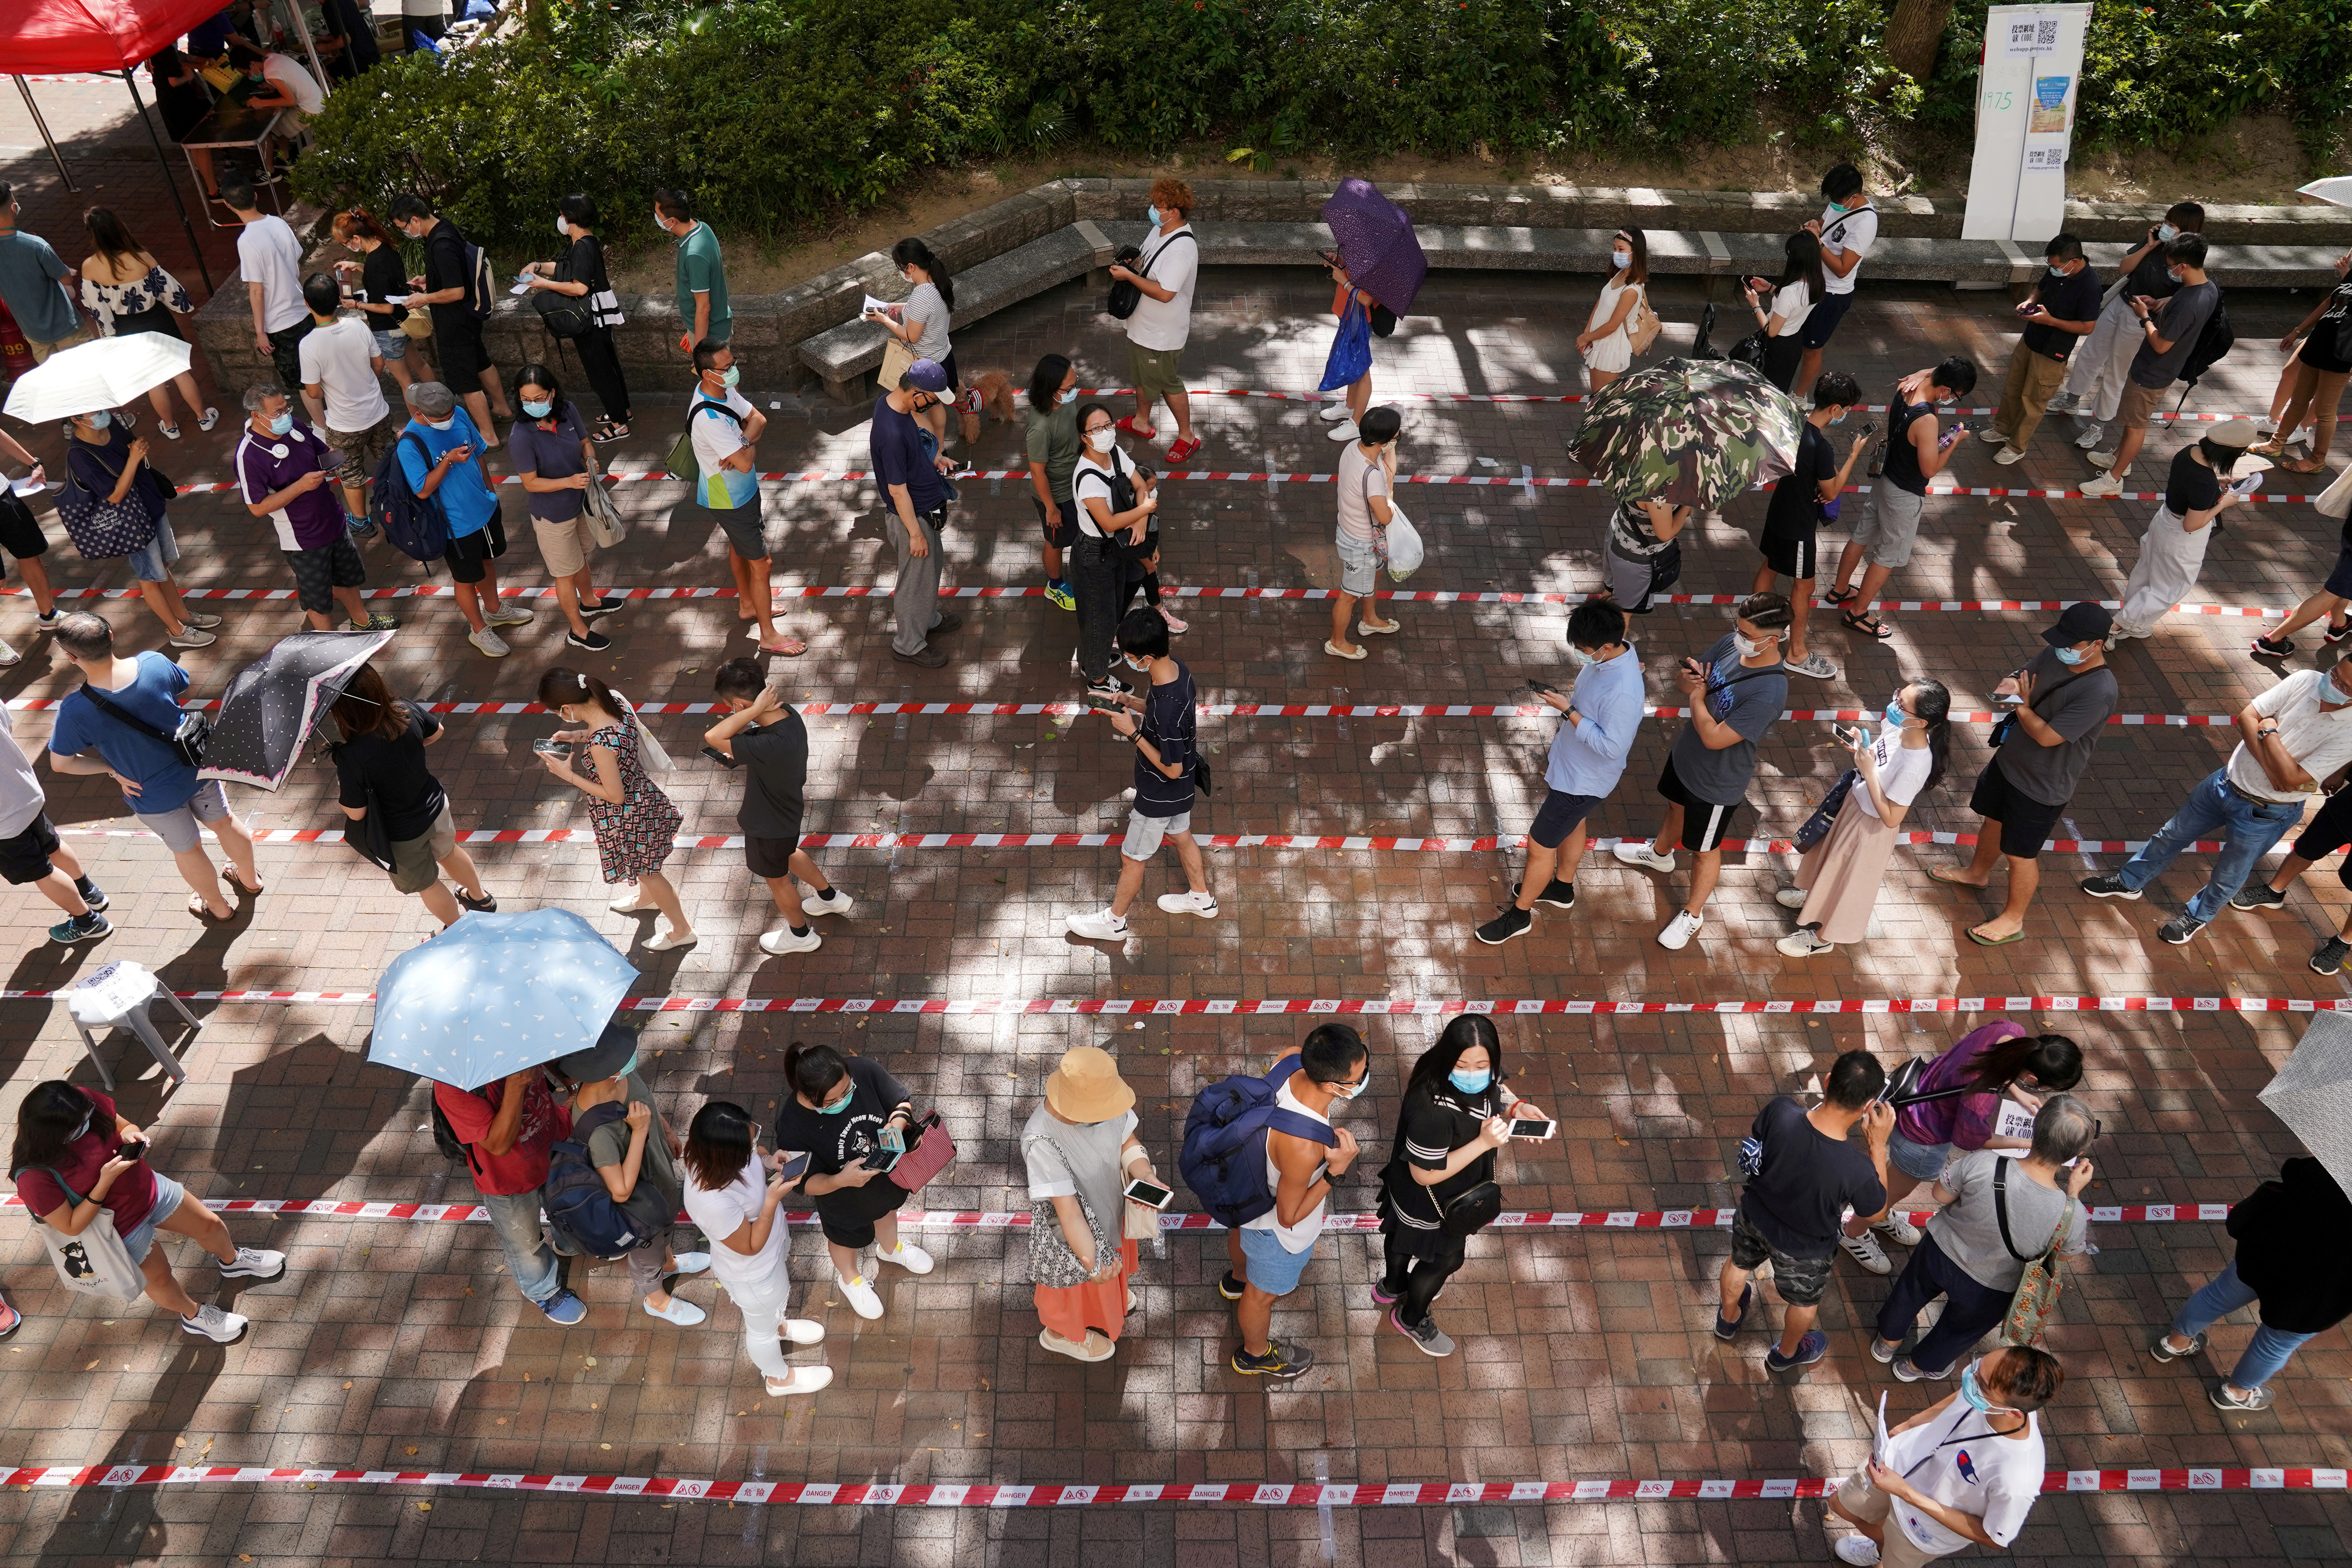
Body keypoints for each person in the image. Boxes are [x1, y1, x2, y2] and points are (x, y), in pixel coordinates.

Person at [2082, 649, 2352, 944]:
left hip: (2266, 813)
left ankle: (2196, 916)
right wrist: (2268, 765)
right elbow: (2247, 716)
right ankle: (2129, 882)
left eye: (2345, 687)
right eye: (2334, 674)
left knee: (2229, 874)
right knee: (2169, 836)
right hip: (2224, 782)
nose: (2333, 685)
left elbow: (2292, 777)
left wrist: (2269, 730)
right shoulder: (2304, 680)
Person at [9, 1082, 285, 1343]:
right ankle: (194, 1315)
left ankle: (233, 1261)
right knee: (161, 1278)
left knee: (210, 1225)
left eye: (88, 1117)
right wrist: (104, 1182)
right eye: (77, 1128)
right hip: (119, 1231)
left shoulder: (80, 1102)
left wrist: (132, 1132)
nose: (87, 1125)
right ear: (50, 1135)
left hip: (150, 1189)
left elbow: (123, 1124)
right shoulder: (34, 1176)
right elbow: (70, 1225)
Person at [45, 613, 259, 921]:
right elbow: (180, 685)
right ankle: (250, 880)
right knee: (225, 823)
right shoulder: (154, 662)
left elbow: (61, 764)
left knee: (188, 850)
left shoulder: (76, 710)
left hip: (150, 792)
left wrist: (111, 769)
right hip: (195, 767)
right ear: (111, 636)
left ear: (69, 656)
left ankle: (218, 908)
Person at [1612, 593, 1792, 950]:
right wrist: (1688, 681)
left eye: (1746, 633)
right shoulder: (1731, 643)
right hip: (1686, 757)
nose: (1737, 637)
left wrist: (1697, 697)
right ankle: (1660, 854)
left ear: (1772, 640)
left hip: (1716, 783)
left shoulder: (1770, 691)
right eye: (1737, 628)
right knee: (1674, 807)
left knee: (1703, 849)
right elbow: (1685, 684)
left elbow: (1714, 738)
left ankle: (1693, 914)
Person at [1870, 1097, 2094, 1382]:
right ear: (2076, 1155)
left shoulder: (1985, 1163)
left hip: (1939, 1252)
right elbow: (2060, 1257)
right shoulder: (2072, 1215)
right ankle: (1915, 1367)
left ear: (2034, 1128)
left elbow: (1939, 1195)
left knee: (1908, 1294)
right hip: (1992, 1287)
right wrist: (2073, 1195)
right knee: (1958, 1330)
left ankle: (1885, 1344)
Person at [1931, 604, 2118, 944]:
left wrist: (2021, 704)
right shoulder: (2056, 653)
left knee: (2020, 854)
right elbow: (2025, 677)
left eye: (2072, 645)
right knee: (1993, 821)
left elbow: (2048, 736)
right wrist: (2012, 682)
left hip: (2041, 787)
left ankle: (2013, 920)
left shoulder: (2098, 692)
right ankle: (1976, 874)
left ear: (2097, 644)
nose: (2062, 649)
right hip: (2009, 763)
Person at [1375, 1016, 1550, 1356]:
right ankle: (1411, 1316)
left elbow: (1494, 1090)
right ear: (1448, 1058)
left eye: (1482, 1065)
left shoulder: (1471, 1073)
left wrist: (1517, 1106)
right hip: (1432, 1198)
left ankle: (1392, 1285)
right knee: (1447, 1260)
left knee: (1399, 1237)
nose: (1474, 1073)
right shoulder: (1432, 1110)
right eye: (1463, 1065)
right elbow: (1423, 1174)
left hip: (1420, 1195)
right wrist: (1483, 1144)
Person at [1476, 599, 1644, 944]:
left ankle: (1519, 916)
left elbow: (1612, 747)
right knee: (1575, 824)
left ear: (1607, 646)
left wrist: (1568, 710)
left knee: (1539, 846)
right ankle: (1561, 888)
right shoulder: (1618, 655)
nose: (1581, 655)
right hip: (1573, 767)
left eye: (1585, 650)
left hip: (1582, 781)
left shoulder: (1623, 692)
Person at [1714, 1049, 1891, 1374]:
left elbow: (1760, 1140)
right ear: (1868, 1107)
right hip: (1805, 1248)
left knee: (1738, 1264)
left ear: (1827, 1081)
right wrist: (1878, 1146)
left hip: (1755, 1216)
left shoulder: (1781, 1110)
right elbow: (1876, 1210)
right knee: (1803, 1303)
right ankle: (1786, 1353)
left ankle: (1727, 1320)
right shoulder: (1856, 1169)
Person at [1826, 1345, 2063, 1566]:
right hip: (1893, 1465)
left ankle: (1884, 1553)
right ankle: (1881, 1544)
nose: (1969, 1377)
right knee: (1841, 1506)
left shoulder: (2018, 1476)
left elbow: (1995, 1538)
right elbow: (1960, 1396)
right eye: (1976, 1366)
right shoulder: (1988, 1388)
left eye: (1980, 1383)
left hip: (1924, 1527)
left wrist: (1907, 1494)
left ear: (2012, 1413)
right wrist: (1910, 1424)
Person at [2150, 1157, 2352, 1412]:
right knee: (2273, 1344)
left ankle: (2173, 1343)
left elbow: (2293, 1169)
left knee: (2217, 1295)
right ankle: (2235, 1393)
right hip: (2317, 1293)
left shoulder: (2340, 1156)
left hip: (2267, 1251)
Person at [1223, 1026, 1368, 1379]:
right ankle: (1255, 1356)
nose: (1363, 1079)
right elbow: (1288, 1216)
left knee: (1244, 1247)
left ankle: (1236, 1279)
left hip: (1248, 1198)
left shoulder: (1290, 1058)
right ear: (1332, 1086)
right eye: (1358, 1078)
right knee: (1260, 1298)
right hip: (1275, 1233)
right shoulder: (1303, 1145)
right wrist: (1335, 1171)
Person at [1775, 678, 1951, 958]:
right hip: (1854, 805)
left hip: (1870, 827)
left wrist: (1868, 772)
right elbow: (1879, 756)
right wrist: (1861, 747)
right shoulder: (1898, 727)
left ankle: (1821, 938)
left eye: (1901, 704)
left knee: (1845, 880)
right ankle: (1813, 898)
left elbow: (1892, 818)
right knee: (1829, 859)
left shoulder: (1916, 764)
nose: (1894, 705)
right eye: (1898, 696)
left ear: (1920, 722)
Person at [1068, 606, 1213, 943]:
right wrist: (1134, 703)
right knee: (1181, 835)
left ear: (1146, 657)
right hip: (1182, 787)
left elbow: (1171, 767)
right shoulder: (1177, 672)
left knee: (1131, 857)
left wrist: (1132, 733)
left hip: (1160, 792)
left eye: (1131, 657)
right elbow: (1165, 716)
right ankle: (1201, 899)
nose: (1129, 662)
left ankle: (1114, 923)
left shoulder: (1167, 706)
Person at [549, 1030, 711, 1327]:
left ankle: (669, 1263)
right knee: (646, 1248)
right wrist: (639, 1132)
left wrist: (667, 1133)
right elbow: (621, 1191)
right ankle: (656, 1299)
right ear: (604, 1070)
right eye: (623, 1059)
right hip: (637, 1202)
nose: (631, 1061)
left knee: (666, 1222)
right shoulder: (597, 1130)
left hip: (657, 1176)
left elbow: (645, 1102)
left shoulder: (621, 1076)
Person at [1021, 1045, 1164, 1362]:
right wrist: (1091, 1261)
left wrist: (1143, 1174)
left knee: (1104, 1279)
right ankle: (1059, 1334)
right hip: (1076, 1236)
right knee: (1071, 1290)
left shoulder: (1103, 1102)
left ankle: (1106, 1299)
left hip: (1107, 1214)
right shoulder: (1041, 1141)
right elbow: (1069, 1212)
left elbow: (1127, 1141)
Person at [678, 1099, 832, 1394]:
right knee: (760, 1331)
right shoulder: (711, 1202)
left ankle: (779, 1325)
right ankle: (779, 1379)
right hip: (754, 1273)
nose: (755, 1146)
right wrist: (770, 1202)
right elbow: (749, 1245)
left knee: (770, 1314)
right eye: (748, 1146)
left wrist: (768, 1160)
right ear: (725, 1155)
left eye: (754, 1138)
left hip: (770, 1253)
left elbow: (755, 1155)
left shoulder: (716, 1154)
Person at [536, 668, 694, 953]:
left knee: (649, 872)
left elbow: (614, 796)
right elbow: (610, 735)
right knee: (647, 869)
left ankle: (682, 930)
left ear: (567, 707)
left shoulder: (600, 745)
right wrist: (577, 735)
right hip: (644, 799)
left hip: (626, 817)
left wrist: (567, 775)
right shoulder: (615, 702)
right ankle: (647, 899)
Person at [327, 662, 496, 930]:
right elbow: (437, 732)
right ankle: (481, 898)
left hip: (402, 833)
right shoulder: (403, 709)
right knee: (449, 852)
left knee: (426, 883)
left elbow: (356, 812)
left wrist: (343, 769)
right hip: (436, 805)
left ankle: (458, 929)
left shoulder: (352, 755)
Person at [773, 1040, 934, 1320]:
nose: (845, 1098)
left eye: (848, 1090)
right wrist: (840, 1180)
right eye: (833, 1101)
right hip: (841, 1200)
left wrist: (895, 1126)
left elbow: (900, 1102)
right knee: (844, 1239)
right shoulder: (792, 1126)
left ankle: (891, 1249)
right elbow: (801, 1183)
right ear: (808, 1097)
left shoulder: (864, 1070)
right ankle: (850, 1280)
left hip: (885, 1179)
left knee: (886, 1211)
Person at [703, 658, 854, 956]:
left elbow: (714, 738)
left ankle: (800, 936)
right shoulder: (788, 715)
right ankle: (829, 898)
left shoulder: (767, 743)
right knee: (787, 852)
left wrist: (753, 710)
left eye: (728, 706)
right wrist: (755, 711)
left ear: (738, 704)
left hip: (767, 822)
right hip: (786, 814)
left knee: (778, 880)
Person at [1823, 358, 1979, 640]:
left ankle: (1840, 590)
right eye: (1955, 395)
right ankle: (1857, 613)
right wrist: (1955, 440)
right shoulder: (1927, 419)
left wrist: (1922, 371)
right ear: (1945, 388)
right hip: (1904, 493)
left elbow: (1930, 370)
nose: (1953, 400)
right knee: (1887, 555)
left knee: (1861, 536)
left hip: (1884, 480)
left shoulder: (1907, 387)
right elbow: (1929, 469)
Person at [1873, 1022, 2084, 1221]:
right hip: (1922, 1136)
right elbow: (1973, 1140)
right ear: (2032, 1078)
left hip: (1919, 1094)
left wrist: (2016, 1090)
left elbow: (1994, 1060)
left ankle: (1879, 1214)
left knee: (1892, 1177)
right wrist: (2034, 1144)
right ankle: (1857, 1231)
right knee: (1886, 1197)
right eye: (2044, 1088)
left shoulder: (2010, 1031)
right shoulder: (1980, 1100)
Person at [434, 1067, 586, 1324]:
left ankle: (569, 1243)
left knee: (566, 1204)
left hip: (554, 1144)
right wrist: (516, 1086)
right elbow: (499, 1145)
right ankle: (542, 1289)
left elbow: (554, 1052)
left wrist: (573, 1086)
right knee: (525, 1243)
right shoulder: (452, 1082)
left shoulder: (517, 1031)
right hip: (507, 1178)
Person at [58, 408, 218, 647]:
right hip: (130, 522)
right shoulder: (80, 455)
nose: (103, 414)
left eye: (102, 408)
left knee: (162, 567)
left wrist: (139, 450)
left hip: (150, 504)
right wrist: (133, 459)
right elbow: (114, 496)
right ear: (75, 419)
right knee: (150, 578)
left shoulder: (111, 426)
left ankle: (184, 616)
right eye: (96, 412)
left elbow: (132, 458)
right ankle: (177, 632)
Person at [2080, 234, 2219, 499]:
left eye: (2170, 266)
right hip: (2158, 369)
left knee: (2135, 426)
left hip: (2153, 371)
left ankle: (2114, 478)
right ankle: (2118, 458)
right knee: (2133, 421)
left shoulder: (2189, 302)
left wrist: (2144, 317)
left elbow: (2161, 345)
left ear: (2183, 266)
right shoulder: (2207, 289)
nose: (2169, 271)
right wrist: (2156, 307)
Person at [2054, 201, 2205, 443]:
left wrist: (2161, 301)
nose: (2165, 227)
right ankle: (2071, 399)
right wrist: (2149, 245)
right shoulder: (2154, 243)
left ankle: (2100, 424)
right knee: (2091, 352)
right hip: (2121, 304)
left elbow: (2190, 290)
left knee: (2117, 370)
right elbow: (2125, 268)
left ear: (2186, 230)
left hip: (2142, 317)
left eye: (2172, 225)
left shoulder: (2189, 255)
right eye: (2165, 222)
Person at [234, 384, 380, 633]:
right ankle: (327, 641)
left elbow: (320, 453)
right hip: (303, 537)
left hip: (333, 519)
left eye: (286, 408)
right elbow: (257, 508)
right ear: (257, 416)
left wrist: (331, 458)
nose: (286, 416)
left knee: (349, 577)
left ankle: (363, 622)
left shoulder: (295, 426)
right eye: (278, 413)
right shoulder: (248, 456)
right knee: (317, 598)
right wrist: (301, 487)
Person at [686, 342, 801, 657]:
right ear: (707, 373)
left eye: (733, 363)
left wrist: (743, 441)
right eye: (726, 368)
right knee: (762, 564)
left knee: (739, 545)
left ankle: (748, 605)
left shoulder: (724, 391)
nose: (734, 370)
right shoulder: (709, 417)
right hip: (729, 498)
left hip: (740, 491)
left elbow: (759, 420)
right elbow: (747, 461)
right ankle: (768, 636)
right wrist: (746, 445)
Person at [1756, 372, 1867, 681]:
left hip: (1779, 509)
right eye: (1846, 410)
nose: (1845, 415)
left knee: (1770, 565)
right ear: (1835, 409)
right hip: (1800, 523)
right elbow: (1830, 491)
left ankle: (1757, 625)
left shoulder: (1793, 423)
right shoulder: (1822, 447)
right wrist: (1854, 456)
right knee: (1804, 587)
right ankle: (1796, 653)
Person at [505, 362, 619, 653]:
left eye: (539, 398)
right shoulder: (521, 435)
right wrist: (568, 481)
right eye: (526, 400)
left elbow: (585, 442)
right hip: (553, 517)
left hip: (580, 504)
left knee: (580, 556)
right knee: (564, 573)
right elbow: (531, 483)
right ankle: (577, 630)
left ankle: (590, 601)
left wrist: (591, 458)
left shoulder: (567, 409)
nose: (533, 404)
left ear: (552, 393)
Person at [2111, 419, 2259, 642]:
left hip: (2164, 520)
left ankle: (2133, 622)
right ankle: (2120, 625)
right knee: (2169, 588)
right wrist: (2223, 503)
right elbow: (2192, 525)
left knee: (2146, 572)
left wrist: (2216, 482)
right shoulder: (2204, 484)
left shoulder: (2190, 451)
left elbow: (2188, 482)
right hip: (2180, 537)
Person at [77, 207, 216, 439]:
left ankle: (170, 426)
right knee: (181, 371)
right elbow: (169, 290)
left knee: (153, 379)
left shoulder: (90, 266)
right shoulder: (141, 256)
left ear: (93, 234)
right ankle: (204, 418)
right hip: (158, 319)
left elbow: (98, 308)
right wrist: (183, 307)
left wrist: (108, 335)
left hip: (126, 328)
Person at [389, 194, 512, 434]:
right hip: (468, 319)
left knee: (466, 382)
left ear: (415, 220)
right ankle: (503, 410)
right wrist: (429, 280)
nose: (405, 232)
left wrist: (424, 297)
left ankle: (489, 437)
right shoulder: (444, 227)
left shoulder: (441, 245)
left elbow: (456, 291)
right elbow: (456, 270)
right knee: (482, 363)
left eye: (403, 228)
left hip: (454, 322)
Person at [1979, 234, 2102, 464]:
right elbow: (2040, 289)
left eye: (2056, 266)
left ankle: (2016, 447)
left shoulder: (2091, 287)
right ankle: (2003, 428)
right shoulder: (2057, 269)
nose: (2052, 269)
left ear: (2074, 261)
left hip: (2053, 352)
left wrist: (2051, 321)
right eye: (2050, 265)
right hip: (2030, 340)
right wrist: (2030, 301)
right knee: (2013, 388)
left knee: (2034, 401)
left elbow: (2088, 327)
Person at [871, 359, 960, 669]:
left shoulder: (893, 405)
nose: (933, 406)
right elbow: (897, 491)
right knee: (914, 580)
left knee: (930, 569)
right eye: (932, 400)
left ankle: (928, 618)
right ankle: (908, 644)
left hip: (923, 508)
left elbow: (913, 456)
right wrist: (915, 533)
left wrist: (934, 460)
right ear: (917, 392)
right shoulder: (892, 433)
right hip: (911, 517)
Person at [1068, 400, 1159, 694]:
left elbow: (1141, 485)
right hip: (1095, 554)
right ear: (1084, 437)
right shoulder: (1086, 477)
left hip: (1115, 551)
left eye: (1108, 425)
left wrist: (1142, 514)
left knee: (1112, 611)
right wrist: (1145, 510)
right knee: (1101, 619)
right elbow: (1108, 523)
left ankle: (1094, 658)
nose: (1105, 432)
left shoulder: (1115, 453)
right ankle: (1097, 679)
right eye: (1096, 428)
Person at [296, 272, 398, 529]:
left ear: (307, 304)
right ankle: (405, 504)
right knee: (393, 460)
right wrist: (364, 382)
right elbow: (378, 362)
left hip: (343, 425)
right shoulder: (357, 325)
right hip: (379, 412)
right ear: (338, 300)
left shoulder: (308, 345)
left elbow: (314, 393)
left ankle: (361, 522)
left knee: (351, 475)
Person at [0, 702, 109, 943]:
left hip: (4, 820)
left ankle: (88, 922)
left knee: (41, 872)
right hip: (26, 794)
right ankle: (89, 893)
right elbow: (8, 727)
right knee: (53, 844)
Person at [524, 194, 630, 441]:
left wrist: (543, 285)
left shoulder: (581, 246)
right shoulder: (585, 241)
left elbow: (580, 287)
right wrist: (538, 266)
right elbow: (565, 268)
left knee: (600, 372)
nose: (560, 219)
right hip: (599, 314)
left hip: (589, 317)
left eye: (562, 214)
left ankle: (619, 425)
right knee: (609, 366)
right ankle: (621, 411)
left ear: (570, 218)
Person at [1111, 179, 1203, 462]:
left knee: (1167, 382)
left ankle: (1187, 436)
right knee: (1142, 376)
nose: (1152, 210)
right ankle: (1140, 421)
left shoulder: (1180, 251)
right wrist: (1132, 266)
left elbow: (1165, 293)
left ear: (1173, 212)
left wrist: (1129, 277)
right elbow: (1145, 262)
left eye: (1157, 206)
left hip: (1161, 335)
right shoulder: (1159, 229)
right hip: (1144, 328)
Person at [2233, 777, 2352, 973]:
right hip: (2348, 808)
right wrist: (2341, 771)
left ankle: (2344, 941)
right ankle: (2273, 892)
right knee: (2307, 847)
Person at [2251, 245, 2352, 474]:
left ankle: (2317, 460)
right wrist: (2298, 331)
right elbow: (2329, 305)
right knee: (2298, 400)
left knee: (2326, 411)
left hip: (2342, 352)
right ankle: (2276, 444)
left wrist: (2347, 276)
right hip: (2319, 344)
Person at [1326, 404, 1403, 660]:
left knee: (1373, 577)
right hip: (1360, 543)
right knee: (1348, 596)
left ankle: (1369, 620)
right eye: (1395, 436)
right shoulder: (1371, 476)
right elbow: (1385, 516)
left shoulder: (1354, 448)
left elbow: (1388, 471)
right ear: (1384, 441)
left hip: (1356, 533)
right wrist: (1390, 496)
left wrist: (1388, 454)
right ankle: (1337, 642)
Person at [1796, 164, 1878, 395]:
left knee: (1811, 349)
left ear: (1854, 197)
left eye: (1837, 200)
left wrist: (1817, 243)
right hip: (1810, 280)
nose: (1833, 204)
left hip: (1832, 293)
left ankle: (1799, 396)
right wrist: (1815, 227)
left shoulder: (1865, 223)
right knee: (1789, 337)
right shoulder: (1838, 202)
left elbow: (1843, 269)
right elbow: (1823, 226)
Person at [224, 179, 309, 394]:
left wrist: (260, 332)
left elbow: (257, 290)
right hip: (304, 311)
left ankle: (319, 427)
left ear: (228, 205)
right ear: (255, 195)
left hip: (280, 324)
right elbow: (297, 258)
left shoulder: (247, 241)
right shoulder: (278, 223)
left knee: (302, 384)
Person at [330, 208, 430, 391]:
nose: (347, 247)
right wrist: (359, 266)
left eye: (346, 243)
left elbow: (386, 308)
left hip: (388, 329)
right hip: (403, 322)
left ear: (357, 239)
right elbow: (385, 278)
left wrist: (357, 305)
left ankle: (421, 418)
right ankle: (442, 400)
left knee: (406, 382)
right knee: (421, 365)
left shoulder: (374, 264)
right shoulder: (386, 249)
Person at [869, 238, 956, 444]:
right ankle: (941, 447)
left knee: (916, 412)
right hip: (943, 356)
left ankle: (932, 451)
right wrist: (901, 307)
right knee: (936, 404)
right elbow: (927, 310)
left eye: (901, 268)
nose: (902, 273)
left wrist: (885, 320)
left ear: (911, 267)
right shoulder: (937, 282)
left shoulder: (921, 295)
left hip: (924, 364)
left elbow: (911, 336)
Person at [0, 183, 91, 364]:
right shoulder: (35, 245)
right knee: (88, 376)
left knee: (56, 385)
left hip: (33, 333)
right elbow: (65, 277)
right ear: (13, 206)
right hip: (67, 327)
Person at [1024, 354, 1081, 610]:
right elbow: (1037, 473)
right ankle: (1055, 586)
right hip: (1057, 495)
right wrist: (1051, 508)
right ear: (1051, 389)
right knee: (1055, 541)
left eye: (1074, 384)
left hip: (1077, 484)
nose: (1073, 391)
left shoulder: (1066, 401)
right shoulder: (1040, 427)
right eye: (1068, 388)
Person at [1742, 230, 1821, 393]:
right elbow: (1795, 306)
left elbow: (1771, 331)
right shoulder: (1817, 282)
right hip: (1794, 342)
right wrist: (1770, 287)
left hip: (1777, 347)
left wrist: (1756, 305)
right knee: (1779, 390)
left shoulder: (1790, 292)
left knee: (1764, 392)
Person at [1318, 257, 1385, 443]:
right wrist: (1339, 260)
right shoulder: (1359, 250)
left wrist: (1344, 281)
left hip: (1361, 321)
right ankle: (1350, 406)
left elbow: (1366, 299)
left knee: (1362, 371)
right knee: (1353, 366)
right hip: (1349, 317)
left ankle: (1357, 424)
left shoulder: (1374, 260)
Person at [1577, 229, 1649, 393]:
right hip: (1599, 340)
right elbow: (1600, 303)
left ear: (1635, 253)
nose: (1617, 253)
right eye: (1615, 249)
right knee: (1596, 395)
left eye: (1622, 250)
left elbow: (1613, 326)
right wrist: (1588, 333)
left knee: (1601, 399)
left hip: (1610, 346)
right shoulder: (1619, 274)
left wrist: (1586, 337)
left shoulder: (1632, 290)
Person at [655, 189, 728, 353]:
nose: (658, 220)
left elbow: (703, 308)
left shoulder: (694, 255)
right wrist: (692, 330)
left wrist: (700, 351)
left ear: (672, 221)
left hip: (710, 337)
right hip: (709, 329)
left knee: (716, 379)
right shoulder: (702, 228)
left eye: (659, 217)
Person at [145, 49, 220, 202]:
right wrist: (188, 76)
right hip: (183, 104)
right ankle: (214, 191)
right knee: (202, 146)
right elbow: (174, 81)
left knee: (194, 146)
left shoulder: (150, 51)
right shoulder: (165, 51)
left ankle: (212, 187)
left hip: (170, 104)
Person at [1597, 494, 1690, 617]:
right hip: (1636, 559)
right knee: (1622, 614)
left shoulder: (1639, 476)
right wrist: (1689, 503)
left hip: (1618, 536)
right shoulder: (1659, 492)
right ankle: (1606, 635)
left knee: (1610, 592)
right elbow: (1666, 534)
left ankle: (1592, 630)